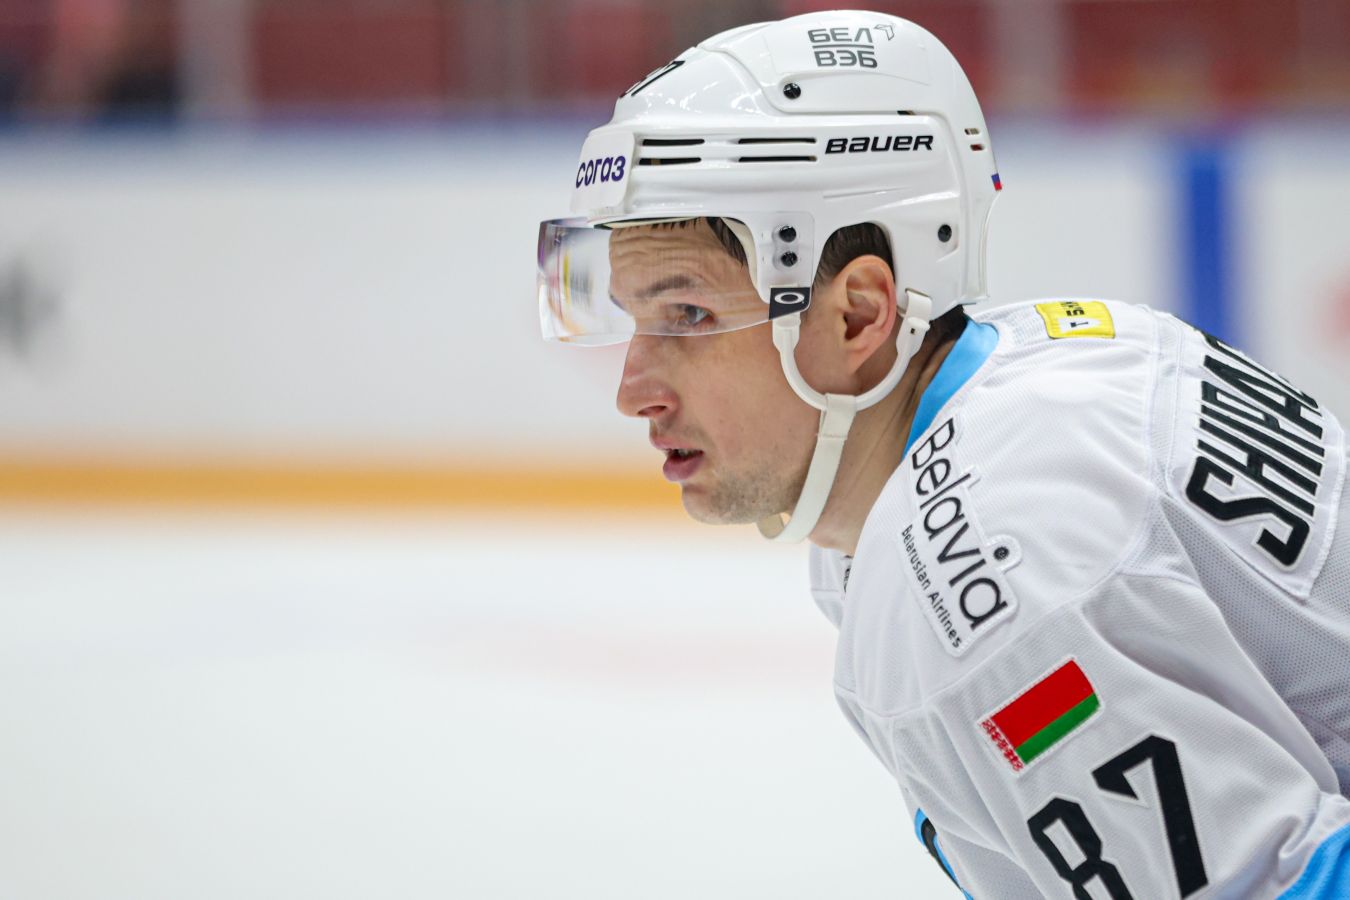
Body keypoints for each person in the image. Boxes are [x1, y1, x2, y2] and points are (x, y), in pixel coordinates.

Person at [535, 10, 1350, 897]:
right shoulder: (1066, 350)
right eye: (636, 318)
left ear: (858, 314)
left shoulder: (978, 587)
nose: (633, 391)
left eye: (687, 314)